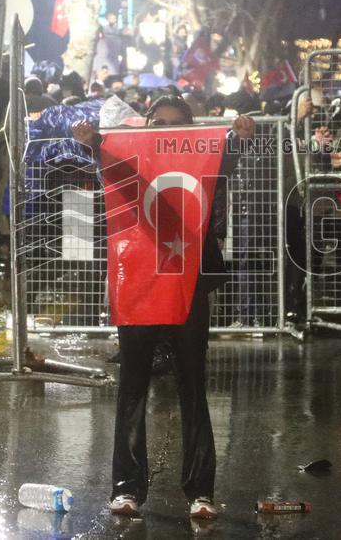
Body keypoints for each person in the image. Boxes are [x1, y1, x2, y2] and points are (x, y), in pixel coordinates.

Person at [72, 95, 256, 520]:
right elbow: (105, 154)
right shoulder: (129, 152)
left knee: (192, 384)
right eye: (159, 122)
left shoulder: (204, 153)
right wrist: (89, 140)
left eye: (177, 123)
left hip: (188, 283)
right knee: (133, 385)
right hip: (138, 279)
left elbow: (227, 153)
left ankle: (200, 491)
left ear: (190, 128)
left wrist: (240, 137)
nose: (167, 129)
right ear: (147, 125)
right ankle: (127, 488)